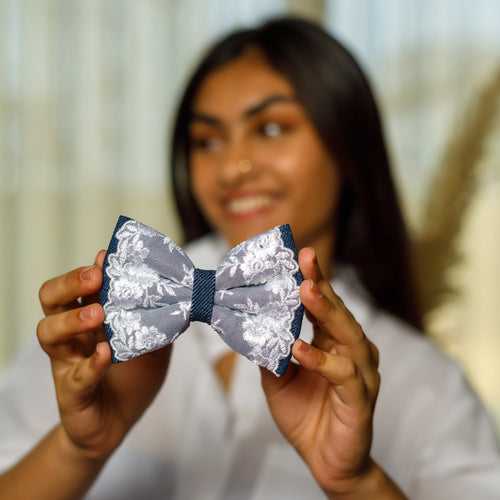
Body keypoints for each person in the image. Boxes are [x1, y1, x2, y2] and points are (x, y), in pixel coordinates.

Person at [0, 16, 499, 500]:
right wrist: (78, 448)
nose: (233, 167)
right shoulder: (105, 329)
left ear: (347, 144)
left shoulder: (428, 387)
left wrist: (356, 483)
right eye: (207, 140)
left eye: (272, 129)